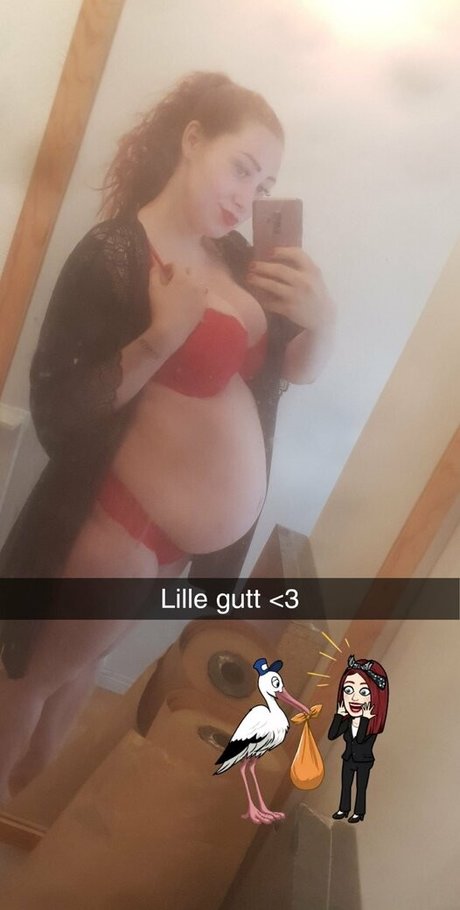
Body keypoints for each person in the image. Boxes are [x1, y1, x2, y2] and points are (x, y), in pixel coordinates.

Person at [0, 72, 335, 804]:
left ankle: (20, 812)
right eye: (240, 168)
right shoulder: (116, 252)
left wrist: (321, 320)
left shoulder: (237, 258)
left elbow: (290, 372)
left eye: (264, 184)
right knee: (25, 688)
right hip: (115, 531)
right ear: (191, 140)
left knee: (72, 680)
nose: (247, 196)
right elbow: (61, 407)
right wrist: (159, 338)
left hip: (170, 549)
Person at [328, 654, 389, 823]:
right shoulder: (348, 721)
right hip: (348, 759)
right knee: (345, 785)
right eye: (348, 690)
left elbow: (361, 739)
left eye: (363, 692)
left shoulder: (371, 725)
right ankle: (343, 809)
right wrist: (339, 715)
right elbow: (332, 735)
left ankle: (359, 812)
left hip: (363, 761)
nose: (354, 698)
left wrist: (365, 719)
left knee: (361, 788)